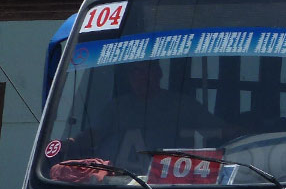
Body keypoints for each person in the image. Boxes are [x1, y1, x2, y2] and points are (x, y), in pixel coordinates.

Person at [53, 60, 233, 178]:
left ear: (159, 74)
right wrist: (71, 143)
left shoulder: (181, 105)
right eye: (136, 72)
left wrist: (247, 133)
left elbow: (219, 130)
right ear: (129, 77)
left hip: (170, 183)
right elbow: (95, 135)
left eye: (148, 71)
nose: (142, 77)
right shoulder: (117, 107)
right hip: (119, 184)